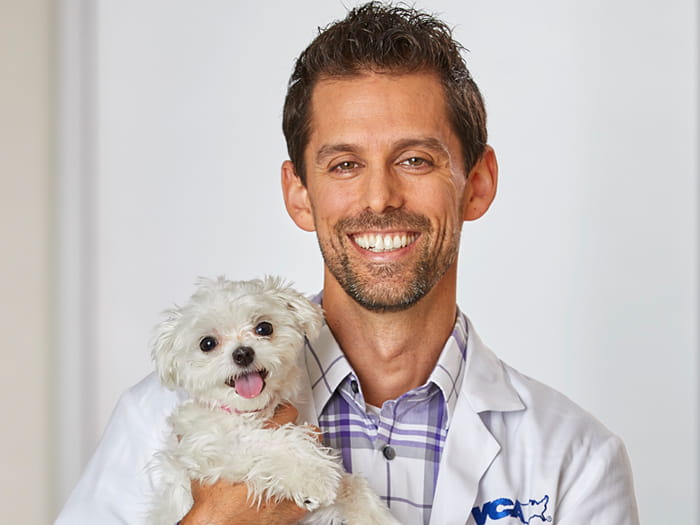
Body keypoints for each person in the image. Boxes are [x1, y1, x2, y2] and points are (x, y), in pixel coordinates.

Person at [56, 3, 640, 524]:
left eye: (415, 160)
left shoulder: (577, 460)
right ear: (299, 194)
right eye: (344, 165)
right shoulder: (159, 418)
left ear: (478, 183)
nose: (379, 198)